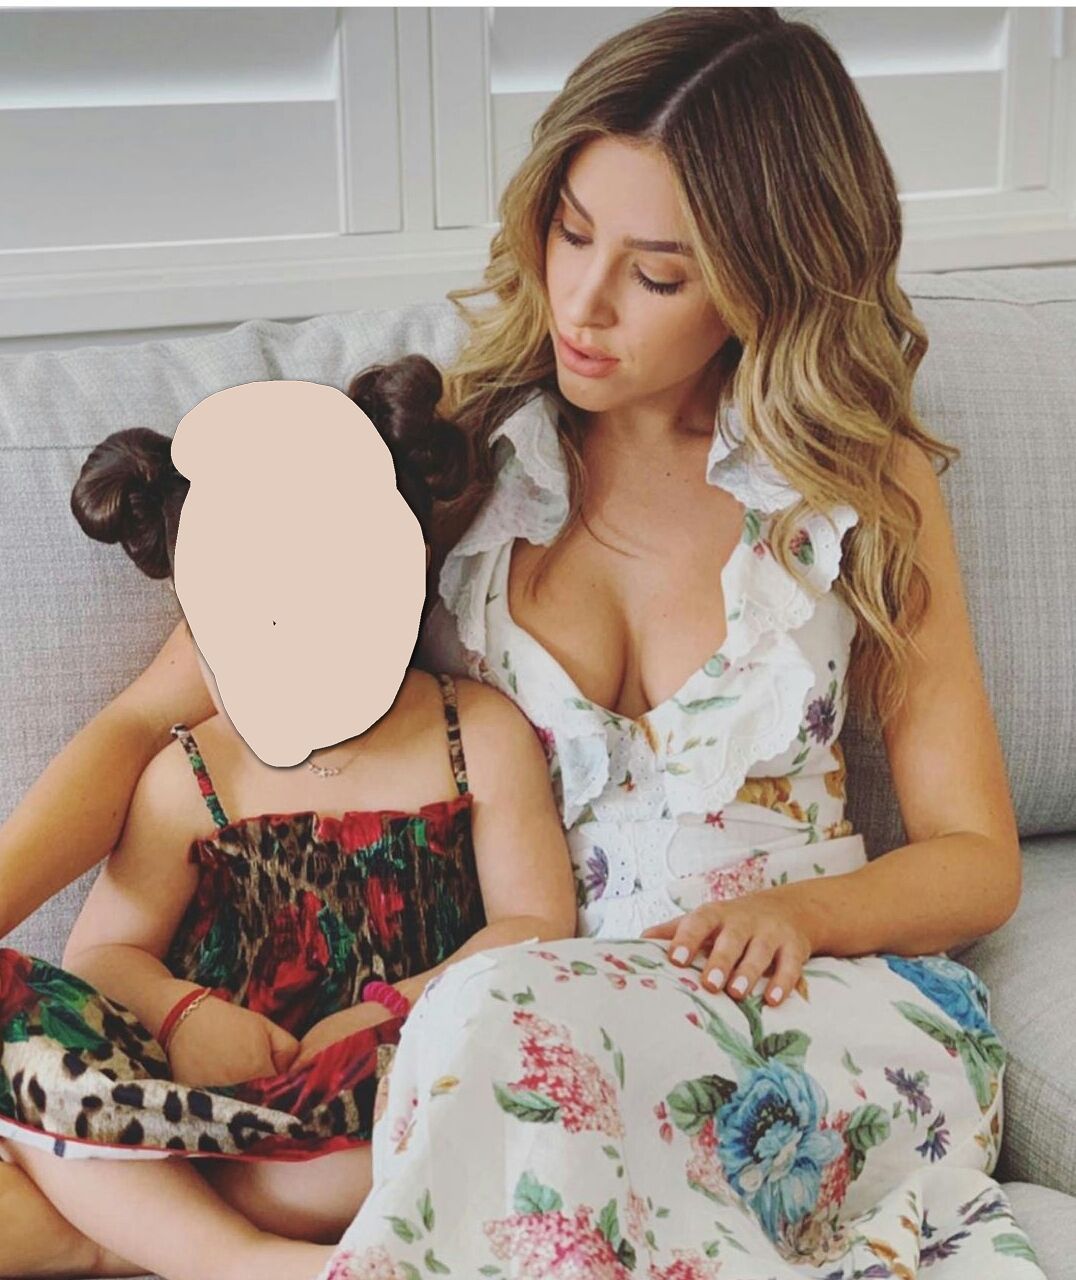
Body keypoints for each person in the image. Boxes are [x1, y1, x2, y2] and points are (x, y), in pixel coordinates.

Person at [0, 6, 1046, 1278]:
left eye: (656, 274)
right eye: (570, 230)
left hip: (800, 1017)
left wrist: (803, 910)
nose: (582, 303)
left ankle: (142, 1243)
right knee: (466, 1022)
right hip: (515, 1028)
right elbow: (144, 718)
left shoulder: (853, 482)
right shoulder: (455, 462)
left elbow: (975, 858)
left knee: (489, 1020)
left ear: (764, 278)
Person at [0, 357, 577, 1280]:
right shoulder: (194, 772)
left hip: (380, 1093)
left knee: (492, 1072)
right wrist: (185, 1015)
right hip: (196, 1107)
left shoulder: (476, 735)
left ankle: (146, 1234)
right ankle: (234, 1253)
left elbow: (535, 924)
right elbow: (103, 955)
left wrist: (390, 1009)